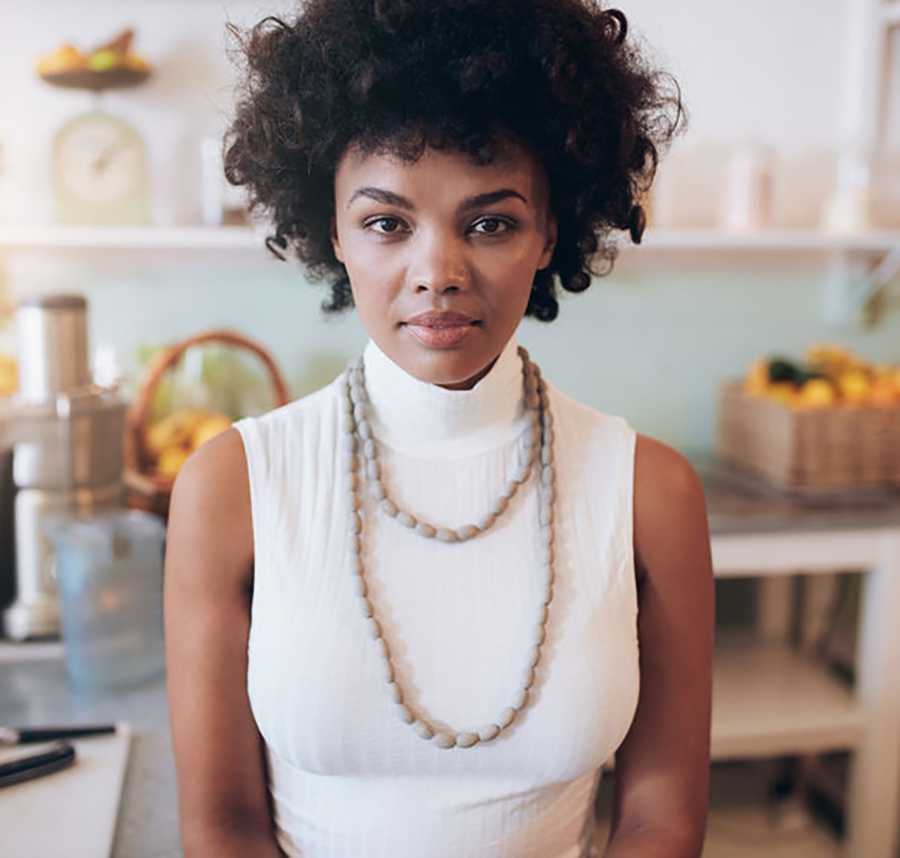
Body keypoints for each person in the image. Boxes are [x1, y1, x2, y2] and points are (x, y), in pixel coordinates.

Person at [163, 1, 714, 856]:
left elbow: (661, 820)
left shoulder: (651, 493)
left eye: (490, 223)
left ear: (549, 234)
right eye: (387, 223)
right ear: (333, 232)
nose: (438, 274)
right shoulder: (234, 485)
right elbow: (222, 826)